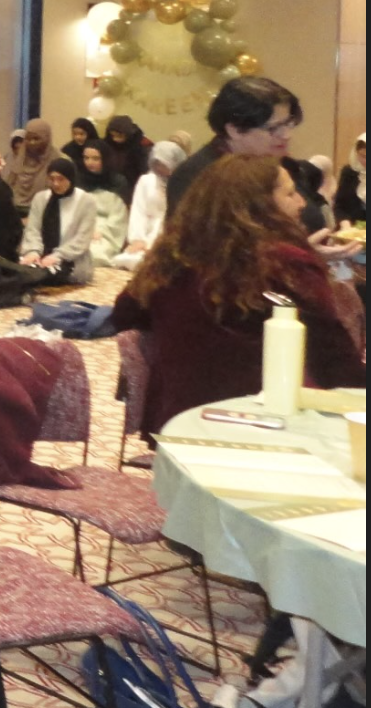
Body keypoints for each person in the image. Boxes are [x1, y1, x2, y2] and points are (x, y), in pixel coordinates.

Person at [116, 156, 364, 439]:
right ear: (258, 205)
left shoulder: (171, 259)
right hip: (258, 425)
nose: (302, 203)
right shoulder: (286, 264)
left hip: (177, 423)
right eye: (290, 193)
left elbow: (124, 314)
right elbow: (332, 360)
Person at [167, 76, 302, 211]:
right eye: (274, 128)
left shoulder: (283, 164)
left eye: (288, 123)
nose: (286, 135)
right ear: (234, 130)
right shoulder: (196, 177)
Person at [18, 158, 95, 286]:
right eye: (52, 179)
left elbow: (82, 239)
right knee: (20, 270)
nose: (56, 184)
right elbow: (33, 230)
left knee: (48, 274)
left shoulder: (86, 201)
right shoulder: (41, 198)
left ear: (71, 178)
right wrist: (33, 252)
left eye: (61, 179)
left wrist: (57, 256)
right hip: (41, 257)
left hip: (70, 260)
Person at [111, 141, 185, 272]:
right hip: (146, 233)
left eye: (164, 164)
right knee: (131, 259)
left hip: (169, 234)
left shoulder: (183, 184)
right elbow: (138, 211)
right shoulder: (146, 181)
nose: (160, 168)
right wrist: (137, 239)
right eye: (157, 163)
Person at [78, 142, 132, 267]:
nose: (90, 162)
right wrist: (86, 229)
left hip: (106, 230)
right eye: (86, 158)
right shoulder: (79, 180)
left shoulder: (117, 182)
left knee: (95, 253)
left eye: (95, 158)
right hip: (82, 227)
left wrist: (101, 231)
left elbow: (118, 217)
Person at [0, 118, 54, 215]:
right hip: (13, 214)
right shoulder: (15, 159)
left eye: (36, 139)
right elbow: (7, 186)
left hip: (44, 214)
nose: (32, 143)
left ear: (46, 138)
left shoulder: (56, 160)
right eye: (28, 139)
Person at [104, 114, 151, 195]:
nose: (115, 139)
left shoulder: (140, 146)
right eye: (112, 136)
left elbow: (143, 170)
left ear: (127, 134)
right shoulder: (107, 144)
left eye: (119, 136)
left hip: (133, 187)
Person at [337, 132, 366, 225]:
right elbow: (339, 205)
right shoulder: (349, 172)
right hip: (352, 227)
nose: (365, 161)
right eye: (363, 156)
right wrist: (344, 222)